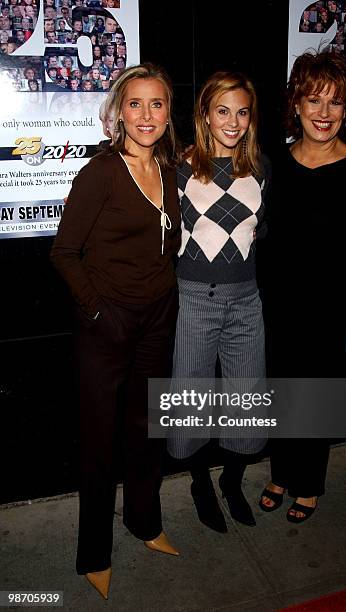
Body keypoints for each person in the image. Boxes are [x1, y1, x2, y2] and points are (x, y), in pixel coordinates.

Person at [50, 63, 181, 599]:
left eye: (157, 104)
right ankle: (94, 554)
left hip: (157, 319)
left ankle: (145, 523)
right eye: (135, 104)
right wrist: (98, 311)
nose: (146, 115)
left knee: (146, 430)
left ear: (168, 113)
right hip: (107, 324)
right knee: (101, 443)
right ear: (117, 112)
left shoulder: (170, 169)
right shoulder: (101, 172)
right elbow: (63, 252)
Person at [259, 49, 346, 523]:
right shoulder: (275, 167)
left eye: (335, 103)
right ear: (296, 105)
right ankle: (282, 472)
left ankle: (308, 484)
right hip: (278, 308)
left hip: (331, 313)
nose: (324, 113)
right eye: (314, 101)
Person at [167, 72, 270, 533]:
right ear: (205, 114)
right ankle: (200, 483)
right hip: (194, 300)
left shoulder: (262, 169)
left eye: (242, 111)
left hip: (246, 300)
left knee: (246, 402)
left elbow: (259, 233)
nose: (233, 121)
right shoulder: (180, 168)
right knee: (192, 404)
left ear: (251, 118)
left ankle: (231, 481)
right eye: (223, 110)